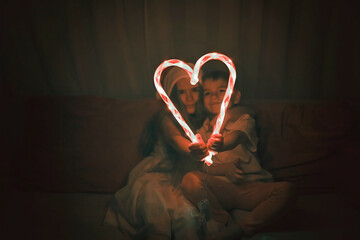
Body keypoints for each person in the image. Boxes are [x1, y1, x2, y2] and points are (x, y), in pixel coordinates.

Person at [181, 71, 297, 240]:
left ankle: (239, 229)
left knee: (287, 191)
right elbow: (201, 165)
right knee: (189, 179)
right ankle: (222, 221)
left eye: (221, 90)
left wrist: (222, 143)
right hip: (222, 190)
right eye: (207, 93)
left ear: (235, 97)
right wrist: (223, 169)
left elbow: (237, 137)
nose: (213, 96)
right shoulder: (201, 131)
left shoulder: (244, 119)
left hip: (250, 187)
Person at [103, 64, 209, 240]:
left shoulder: (204, 119)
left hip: (184, 176)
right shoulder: (166, 117)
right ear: (174, 95)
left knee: (187, 218)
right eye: (182, 92)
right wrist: (193, 150)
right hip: (158, 173)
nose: (189, 97)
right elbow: (175, 139)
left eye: (194, 90)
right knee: (157, 214)